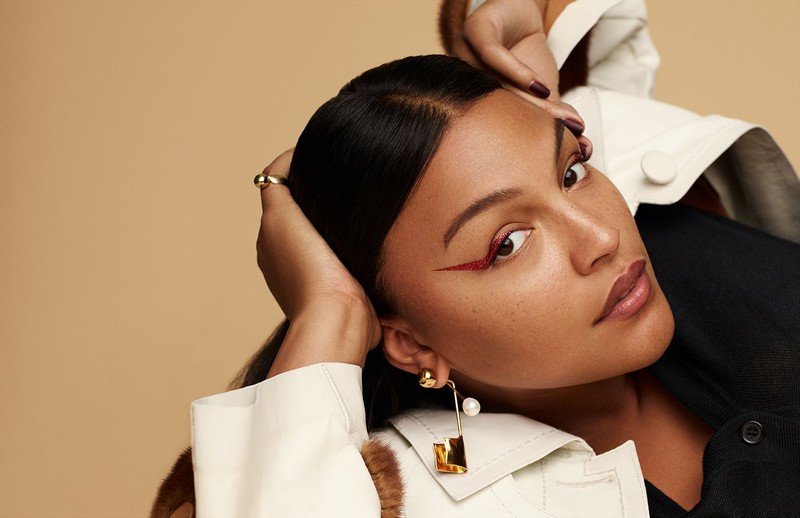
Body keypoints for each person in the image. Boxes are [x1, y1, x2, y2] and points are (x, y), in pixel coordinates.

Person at [150, 2, 800, 517]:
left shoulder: (653, 211)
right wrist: (328, 313)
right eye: (507, 244)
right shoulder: (411, 494)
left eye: (572, 173)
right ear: (410, 343)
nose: (601, 237)